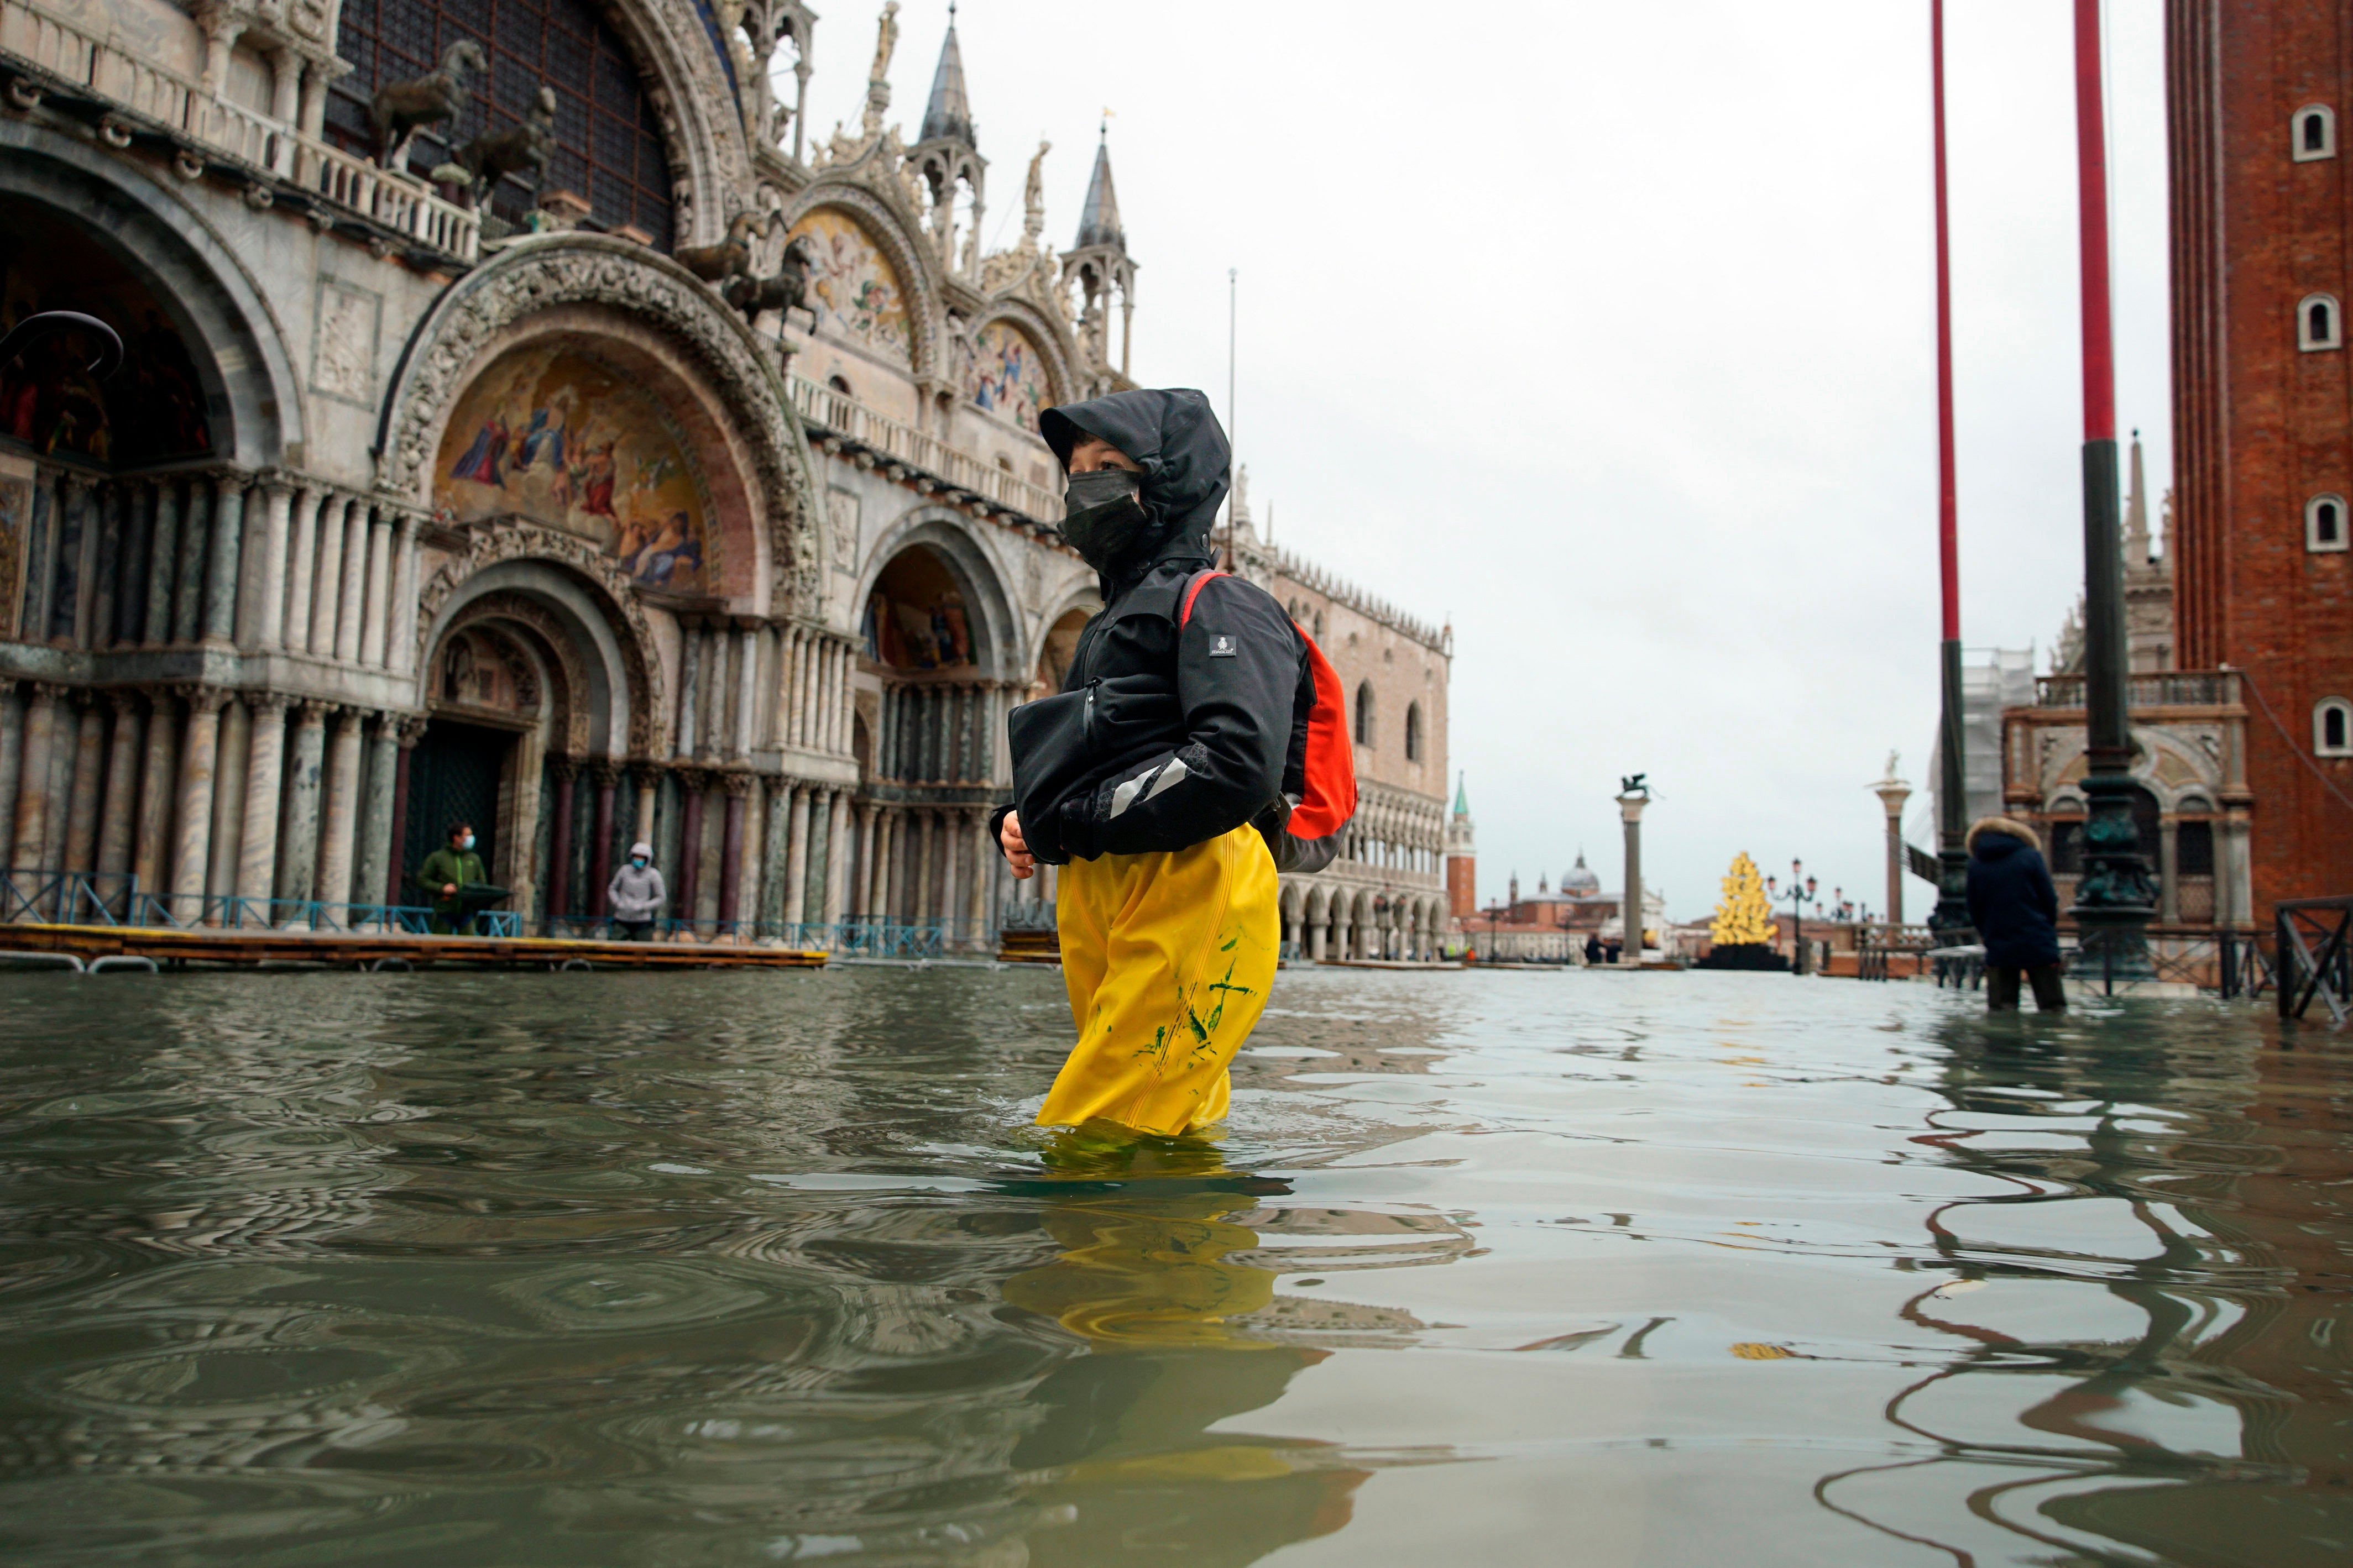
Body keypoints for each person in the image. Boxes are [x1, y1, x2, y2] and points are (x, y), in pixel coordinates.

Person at [993, 387, 1352, 1138]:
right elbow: (1094, 746)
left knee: (1095, 1133)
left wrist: (1072, 822)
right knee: (1165, 1124)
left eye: (1109, 465)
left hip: (1193, 881)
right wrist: (1021, 816)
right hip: (1108, 887)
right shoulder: (1104, 627)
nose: (1082, 485)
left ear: (1169, 479)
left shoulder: (1224, 605)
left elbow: (1233, 764)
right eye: (1076, 468)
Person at [1965, 815, 2066, 1012]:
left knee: (2002, 1009)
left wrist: (1986, 932)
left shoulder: (1976, 864)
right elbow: (2048, 899)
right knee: (2052, 1006)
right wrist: (2047, 927)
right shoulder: (2030, 857)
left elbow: (1974, 906)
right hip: (2037, 937)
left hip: (1998, 939)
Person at [414, 821, 487, 935]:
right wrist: (442, 888)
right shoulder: (438, 858)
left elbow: (482, 883)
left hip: (467, 911)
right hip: (445, 909)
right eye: (467, 835)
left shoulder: (474, 859)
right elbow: (423, 880)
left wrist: (474, 895)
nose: (471, 838)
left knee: (468, 946)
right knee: (441, 944)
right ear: (456, 838)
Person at [607, 842, 665, 940]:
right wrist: (617, 903)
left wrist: (644, 907)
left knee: (642, 949)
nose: (638, 860)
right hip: (622, 918)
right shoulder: (624, 870)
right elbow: (612, 889)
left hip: (642, 920)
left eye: (642, 858)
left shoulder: (653, 875)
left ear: (648, 859)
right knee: (614, 946)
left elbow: (661, 897)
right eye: (636, 857)